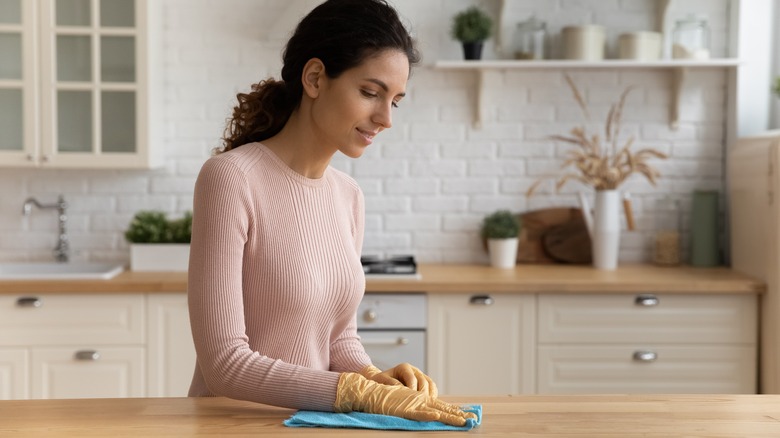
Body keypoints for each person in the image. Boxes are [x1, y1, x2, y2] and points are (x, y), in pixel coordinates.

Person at [187, 0, 476, 427]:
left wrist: (374, 377)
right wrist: (356, 392)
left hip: (315, 425)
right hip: (233, 426)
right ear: (316, 78)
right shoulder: (231, 179)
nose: (385, 118)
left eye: (395, 101)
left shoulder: (348, 195)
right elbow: (224, 363)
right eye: (370, 92)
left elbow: (338, 339)